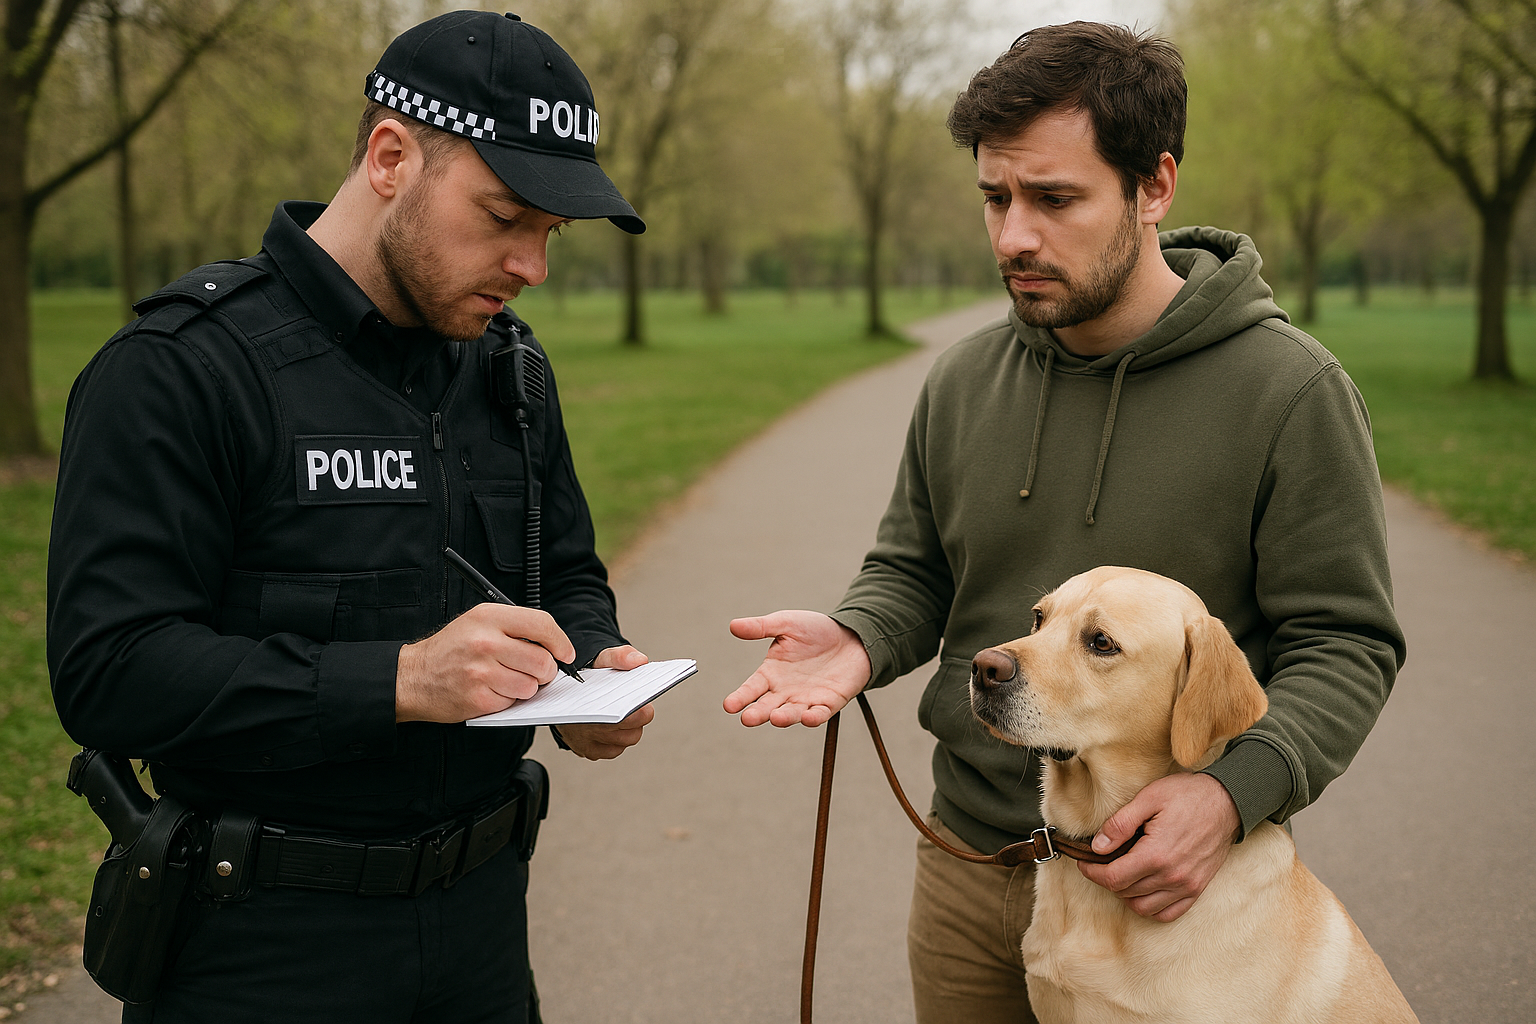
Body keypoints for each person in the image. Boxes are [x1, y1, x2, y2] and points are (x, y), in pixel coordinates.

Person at [724, 21, 1406, 1024]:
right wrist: (859, 633)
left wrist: (1230, 794)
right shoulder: (963, 379)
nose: (1013, 236)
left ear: (1153, 186)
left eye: (1054, 199)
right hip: (967, 862)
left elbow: (1346, 641)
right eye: (995, 197)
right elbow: (914, 568)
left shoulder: (1290, 392)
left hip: (1175, 884)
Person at [48, 10, 650, 1023]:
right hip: (263, 945)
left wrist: (594, 665)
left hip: (484, 929)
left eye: (551, 233)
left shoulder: (509, 369)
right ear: (389, 158)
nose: (532, 267)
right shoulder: (182, 369)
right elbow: (110, 670)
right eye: (505, 216)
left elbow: (565, 571)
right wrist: (402, 680)